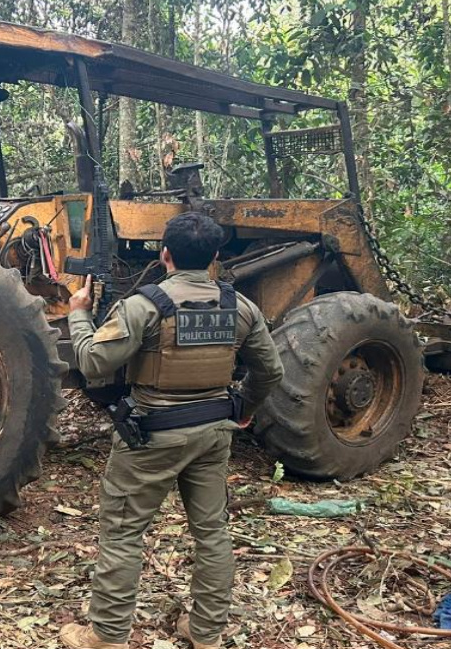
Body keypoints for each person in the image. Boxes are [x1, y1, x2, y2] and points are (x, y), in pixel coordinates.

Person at [60, 212, 284, 649]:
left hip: (151, 435)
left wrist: (78, 315)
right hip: (213, 432)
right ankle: (206, 634)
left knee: (124, 534)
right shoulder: (239, 307)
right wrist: (243, 410)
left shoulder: (144, 306)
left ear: (164, 255)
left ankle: (107, 637)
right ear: (215, 258)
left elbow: (91, 362)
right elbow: (270, 372)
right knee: (212, 532)